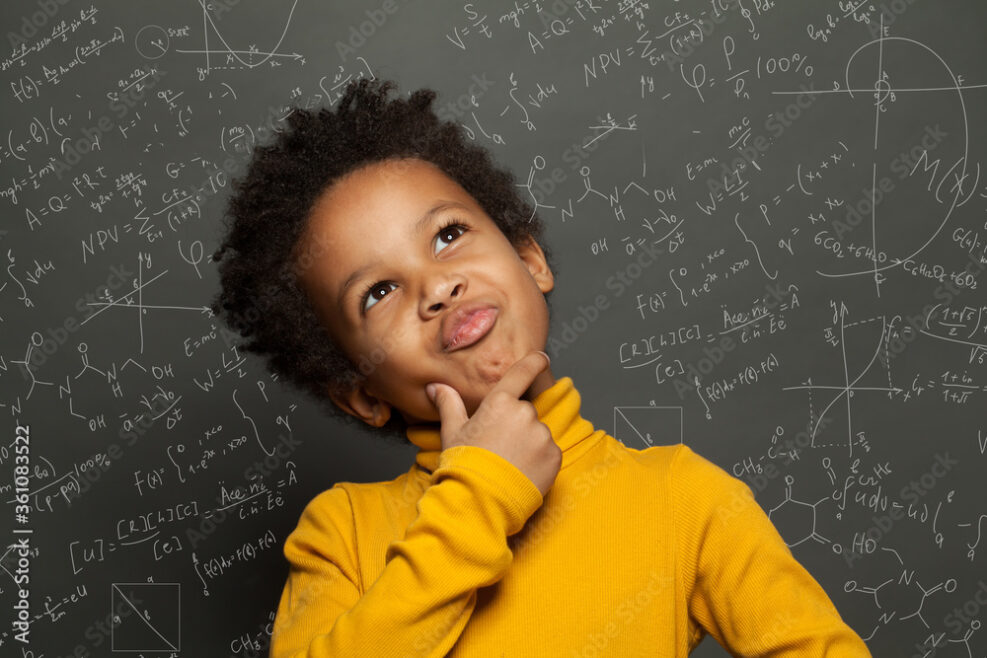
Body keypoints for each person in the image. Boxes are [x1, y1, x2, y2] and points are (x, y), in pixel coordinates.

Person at [210, 76, 871, 657]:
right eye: (378, 292)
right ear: (360, 394)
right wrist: (479, 497)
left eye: (447, 236)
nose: (436, 289)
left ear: (530, 259)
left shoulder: (681, 499)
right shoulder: (342, 533)